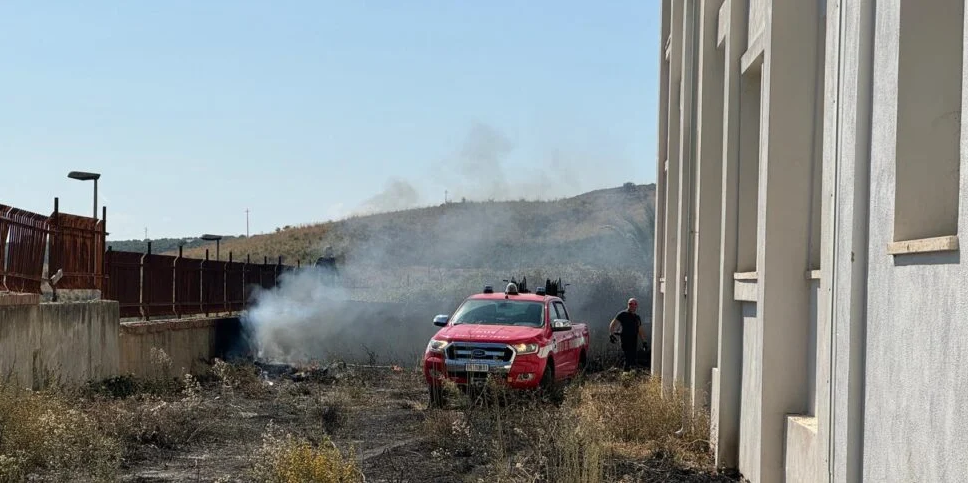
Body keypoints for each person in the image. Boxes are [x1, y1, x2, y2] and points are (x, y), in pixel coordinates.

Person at [609, 298, 647, 371]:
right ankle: (625, 375)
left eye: (634, 304)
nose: (632, 305)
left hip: (634, 339)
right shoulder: (622, 314)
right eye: (630, 304)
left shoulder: (637, 317)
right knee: (627, 357)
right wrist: (611, 334)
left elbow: (640, 330)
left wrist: (644, 342)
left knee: (632, 358)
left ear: (636, 306)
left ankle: (628, 375)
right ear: (628, 305)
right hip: (625, 339)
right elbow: (613, 324)